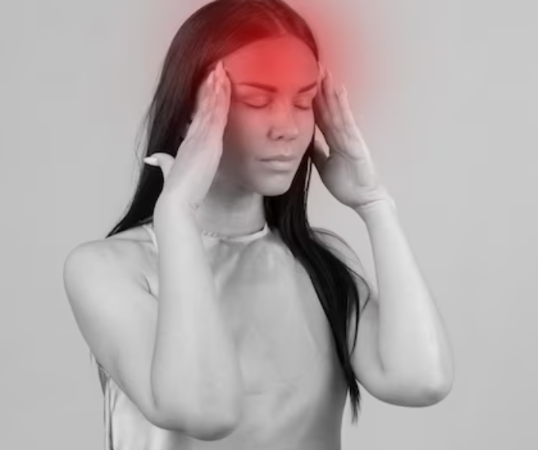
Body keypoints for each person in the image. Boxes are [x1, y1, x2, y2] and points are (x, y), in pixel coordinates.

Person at [63, 0, 382, 448]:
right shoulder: (107, 268)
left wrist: (374, 204)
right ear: (190, 110)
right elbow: (205, 411)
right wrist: (175, 214)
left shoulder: (321, 266)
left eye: (304, 101)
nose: (287, 128)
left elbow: (420, 380)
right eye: (256, 100)